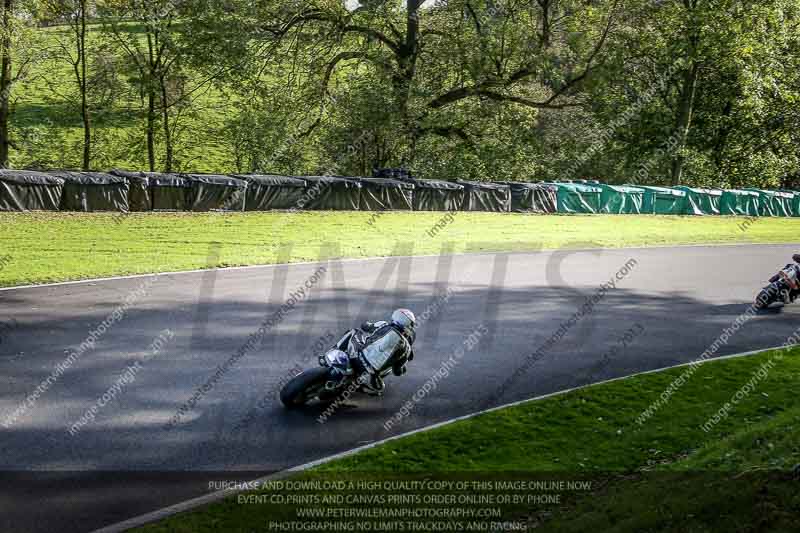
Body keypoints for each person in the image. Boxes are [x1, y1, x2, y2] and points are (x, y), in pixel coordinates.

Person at [348, 309, 417, 395]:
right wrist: (402, 370)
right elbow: (397, 371)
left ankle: (330, 356)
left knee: (353, 332)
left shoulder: (383, 324)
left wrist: (365, 323)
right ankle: (371, 382)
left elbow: (365, 326)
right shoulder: (407, 350)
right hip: (373, 371)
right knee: (383, 380)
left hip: (359, 356)